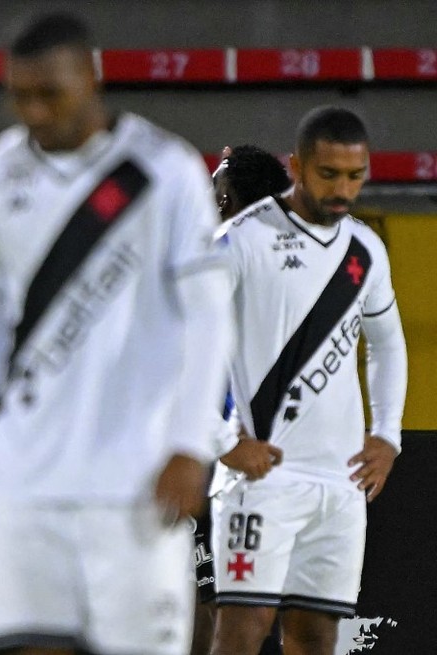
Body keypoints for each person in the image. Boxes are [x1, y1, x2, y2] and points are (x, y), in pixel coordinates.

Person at [0, 12, 234, 655]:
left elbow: (210, 315)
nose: (34, 111)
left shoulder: (164, 171)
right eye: (20, 96)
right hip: (25, 481)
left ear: (91, 77)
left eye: (50, 93)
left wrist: (191, 445)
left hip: (135, 481)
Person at [209, 107, 408, 655]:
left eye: (355, 175)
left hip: (340, 484)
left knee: (317, 637)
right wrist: (221, 442)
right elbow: (183, 348)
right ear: (297, 167)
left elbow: (388, 342)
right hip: (261, 478)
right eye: (329, 174)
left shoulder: (365, 248)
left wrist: (387, 434)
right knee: (242, 628)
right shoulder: (240, 240)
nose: (343, 189)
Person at [191, 144, 292, 655]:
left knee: (221, 614)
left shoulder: (216, 263)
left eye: (214, 188)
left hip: (226, 460)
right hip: (279, 461)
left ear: (225, 201)